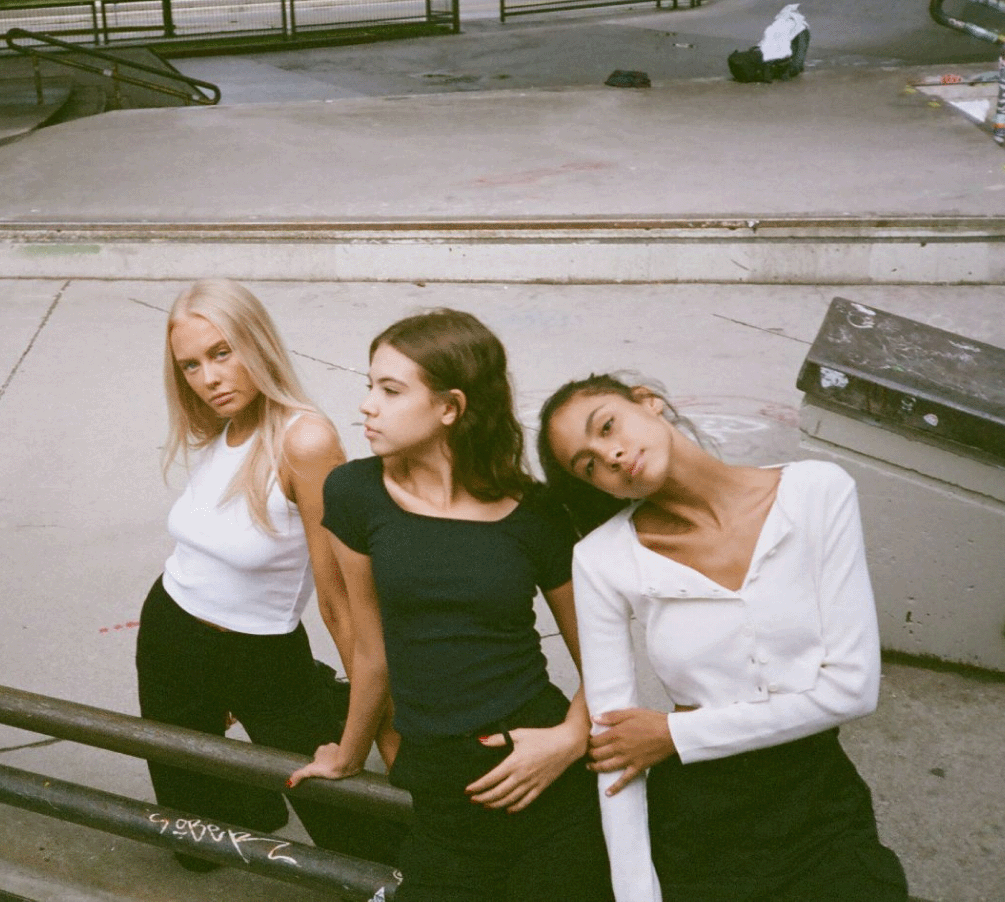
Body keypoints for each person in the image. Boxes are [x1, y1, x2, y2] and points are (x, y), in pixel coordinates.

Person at [537, 374, 908, 902]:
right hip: (700, 821)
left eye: (608, 426)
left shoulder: (816, 492)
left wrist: (674, 735)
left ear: (650, 402)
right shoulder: (601, 558)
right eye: (588, 464)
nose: (611, 455)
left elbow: (852, 690)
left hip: (818, 801)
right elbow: (618, 751)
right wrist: (637, 894)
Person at [288, 309, 613, 902]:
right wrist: (349, 753)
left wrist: (568, 739)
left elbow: (602, 654)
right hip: (441, 796)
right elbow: (372, 649)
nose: (367, 405)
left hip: (549, 780)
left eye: (390, 390)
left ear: (450, 407)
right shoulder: (357, 494)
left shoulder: (536, 514)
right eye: (370, 387)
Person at [136, 278, 400, 870]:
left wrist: (378, 730)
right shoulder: (224, 426)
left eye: (222, 353)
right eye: (192, 365)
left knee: (362, 846)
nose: (209, 378)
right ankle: (250, 801)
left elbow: (340, 601)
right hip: (171, 639)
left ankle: (322, 703)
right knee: (198, 851)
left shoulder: (305, 439)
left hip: (263, 654)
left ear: (257, 343)